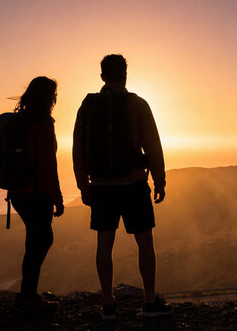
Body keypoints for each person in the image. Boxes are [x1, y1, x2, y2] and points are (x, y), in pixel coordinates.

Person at [73, 54, 171, 319]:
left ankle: (108, 305)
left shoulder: (88, 106)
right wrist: (159, 180)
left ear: (102, 76)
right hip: (134, 185)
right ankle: (150, 302)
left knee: (104, 244)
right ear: (125, 75)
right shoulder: (137, 104)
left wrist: (83, 184)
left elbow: (78, 149)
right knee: (145, 244)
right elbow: (152, 145)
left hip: (101, 187)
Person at [8, 76, 64, 309]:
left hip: (17, 191)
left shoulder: (19, 120)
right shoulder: (42, 124)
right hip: (36, 193)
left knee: (36, 239)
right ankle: (28, 297)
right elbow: (48, 166)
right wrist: (57, 200)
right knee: (40, 240)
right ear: (49, 98)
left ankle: (27, 293)